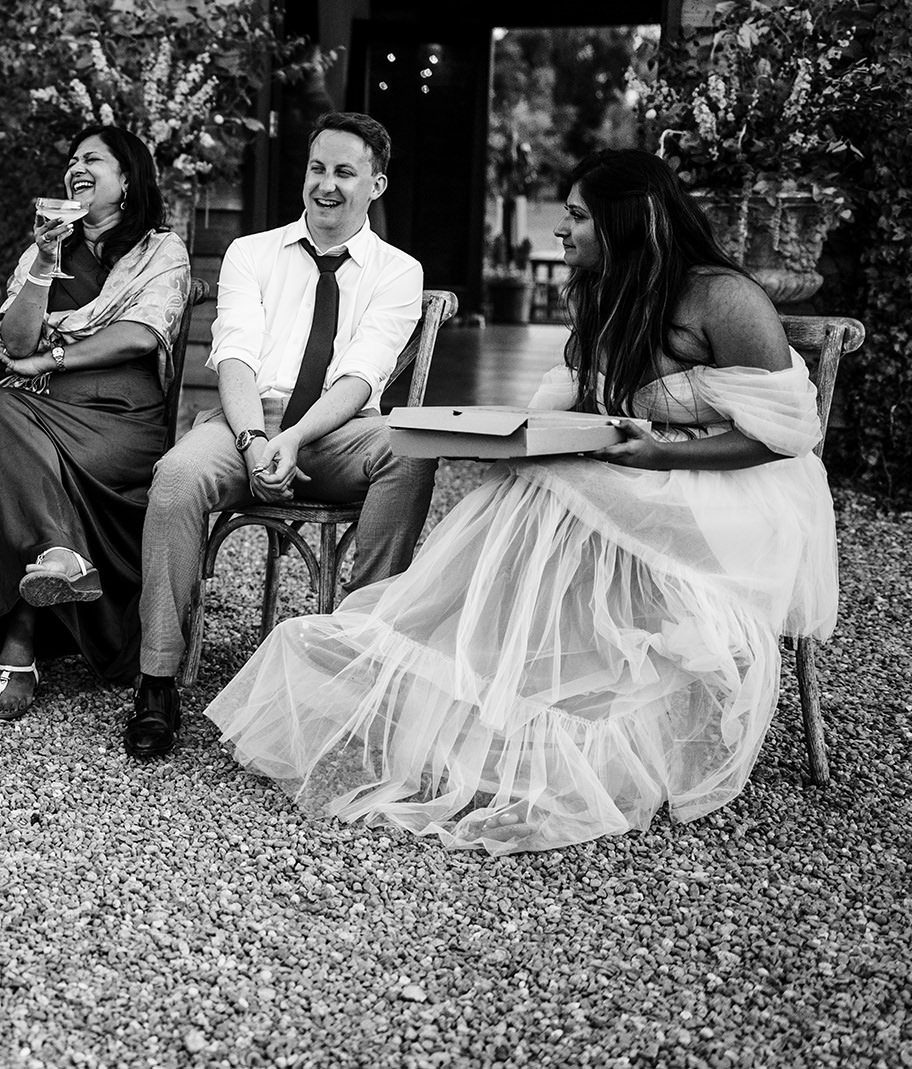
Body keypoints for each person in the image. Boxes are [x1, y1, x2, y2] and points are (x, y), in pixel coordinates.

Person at [206, 150, 838, 853]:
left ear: (624, 222)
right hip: (640, 472)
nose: (561, 232)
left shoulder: (723, 298)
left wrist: (662, 452)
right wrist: (506, 437)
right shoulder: (604, 289)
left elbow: (785, 437)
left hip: (736, 494)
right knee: (526, 476)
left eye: (575, 216)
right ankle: (473, 658)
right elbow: (564, 399)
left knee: (560, 484)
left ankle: (497, 665)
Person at [127, 111, 435, 758]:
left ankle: (357, 654)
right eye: (317, 168)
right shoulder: (252, 251)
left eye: (345, 173)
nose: (326, 184)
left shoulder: (398, 270)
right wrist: (253, 440)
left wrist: (292, 441)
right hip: (247, 420)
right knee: (177, 476)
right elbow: (234, 356)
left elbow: (361, 375)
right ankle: (157, 679)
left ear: (375, 185)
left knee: (410, 447)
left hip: (336, 429)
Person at [0, 125, 191, 718]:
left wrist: (51, 354)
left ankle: (21, 643)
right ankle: (60, 556)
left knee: (12, 437)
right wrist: (41, 262)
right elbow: (14, 341)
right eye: (71, 160)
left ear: (127, 179)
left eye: (93, 158)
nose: (76, 167)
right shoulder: (45, 250)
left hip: (121, 417)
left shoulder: (159, 249)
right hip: (43, 404)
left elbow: (141, 335)